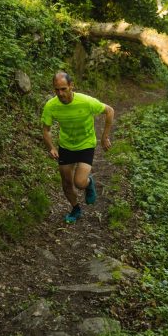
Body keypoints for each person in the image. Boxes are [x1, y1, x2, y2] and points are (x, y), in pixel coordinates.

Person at [42, 71, 114, 223]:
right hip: (66, 146)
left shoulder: (86, 101)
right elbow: (46, 129)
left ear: (71, 86)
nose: (60, 93)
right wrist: (51, 147)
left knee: (79, 182)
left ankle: (89, 184)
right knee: (67, 183)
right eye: (56, 90)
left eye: (63, 89)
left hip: (85, 144)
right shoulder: (51, 106)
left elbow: (109, 111)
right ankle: (75, 209)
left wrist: (105, 136)